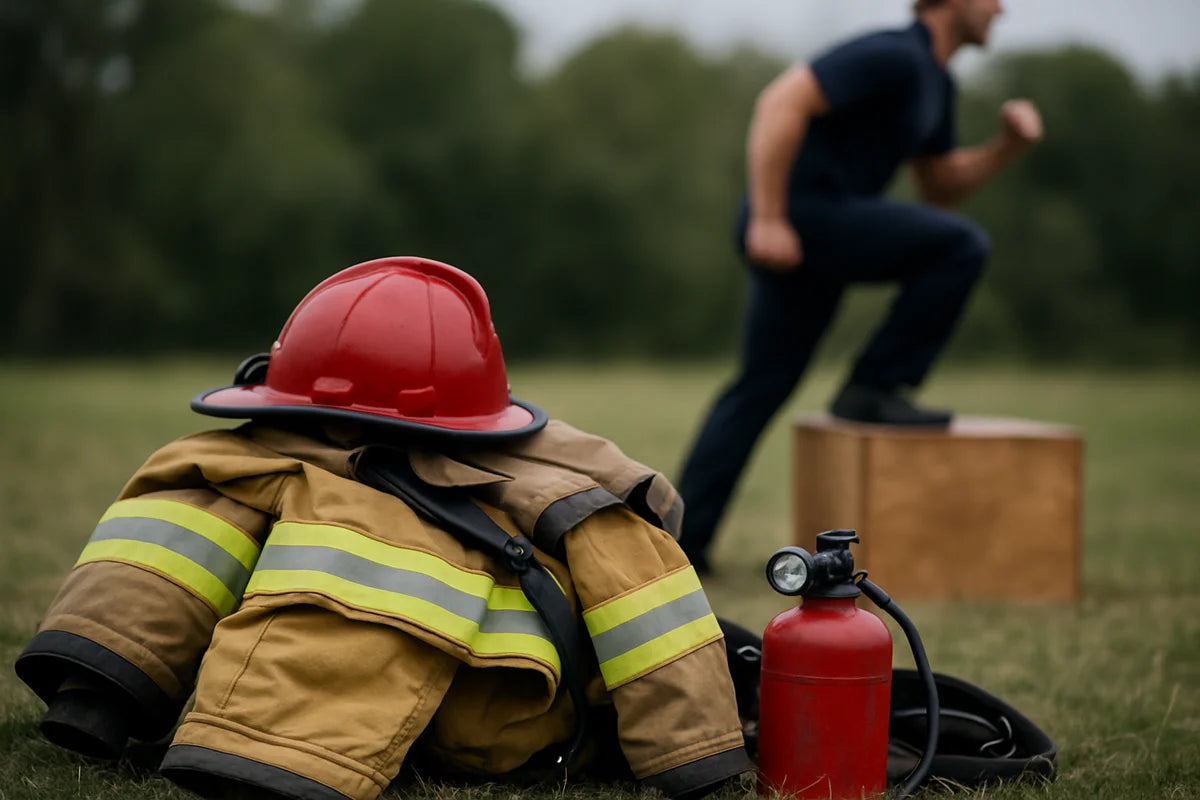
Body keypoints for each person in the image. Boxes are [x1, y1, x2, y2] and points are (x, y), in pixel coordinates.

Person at [15, 257, 752, 800]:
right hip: (492, 725)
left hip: (458, 710)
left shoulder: (214, 464)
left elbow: (144, 584)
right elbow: (654, 625)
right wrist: (697, 761)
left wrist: (95, 691)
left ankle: (111, 701)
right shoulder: (573, 496)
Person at [676, 0, 1044, 572]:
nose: (1002, 8)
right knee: (960, 247)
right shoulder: (892, 54)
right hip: (805, 215)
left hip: (820, 228)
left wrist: (1006, 147)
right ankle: (875, 385)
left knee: (761, 385)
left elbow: (939, 186)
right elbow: (779, 102)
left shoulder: (934, 83)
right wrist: (770, 217)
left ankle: (682, 546)